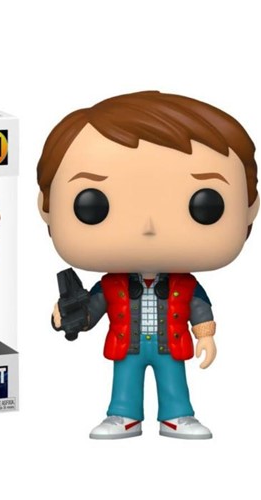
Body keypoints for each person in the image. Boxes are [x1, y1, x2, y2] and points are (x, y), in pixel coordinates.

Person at [37, 91, 258, 439]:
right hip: (127, 344)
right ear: (46, 207)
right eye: (93, 205)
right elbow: (92, 309)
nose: (149, 227)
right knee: (124, 380)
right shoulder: (111, 285)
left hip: (172, 343)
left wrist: (206, 336)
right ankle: (123, 415)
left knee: (174, 380)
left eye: (205, 205)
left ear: (250, 207)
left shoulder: (186, 285)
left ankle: (177, 415)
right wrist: (68, 315)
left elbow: (199, 309)